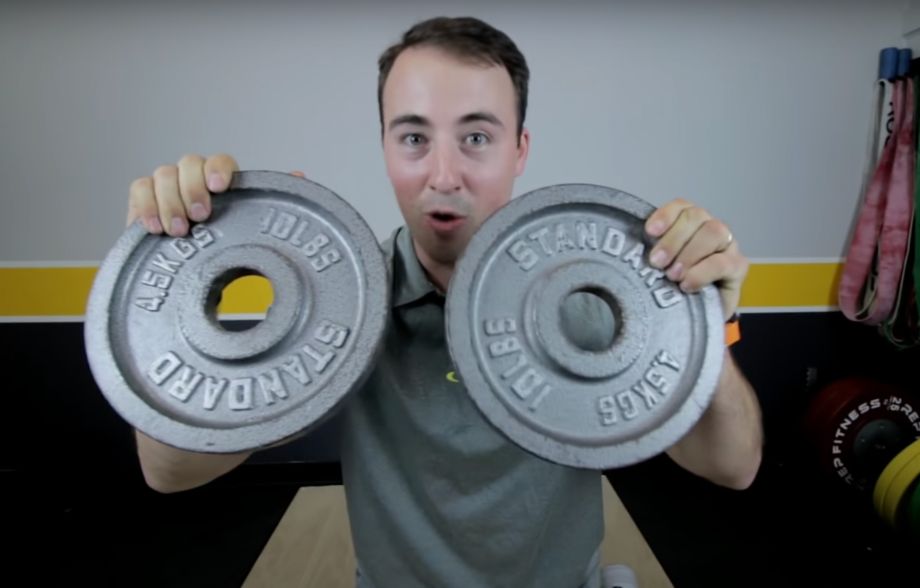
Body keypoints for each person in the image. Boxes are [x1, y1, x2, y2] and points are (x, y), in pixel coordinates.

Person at [124, 16, 763, 588]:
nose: (443, 175)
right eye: (413, 138)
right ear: (383, 146)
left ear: (521, 150)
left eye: (477, 138)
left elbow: (733, 468)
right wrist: (181, 266)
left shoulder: (593, 294)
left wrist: (713, 322)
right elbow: (170, 472)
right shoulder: (344, 301)